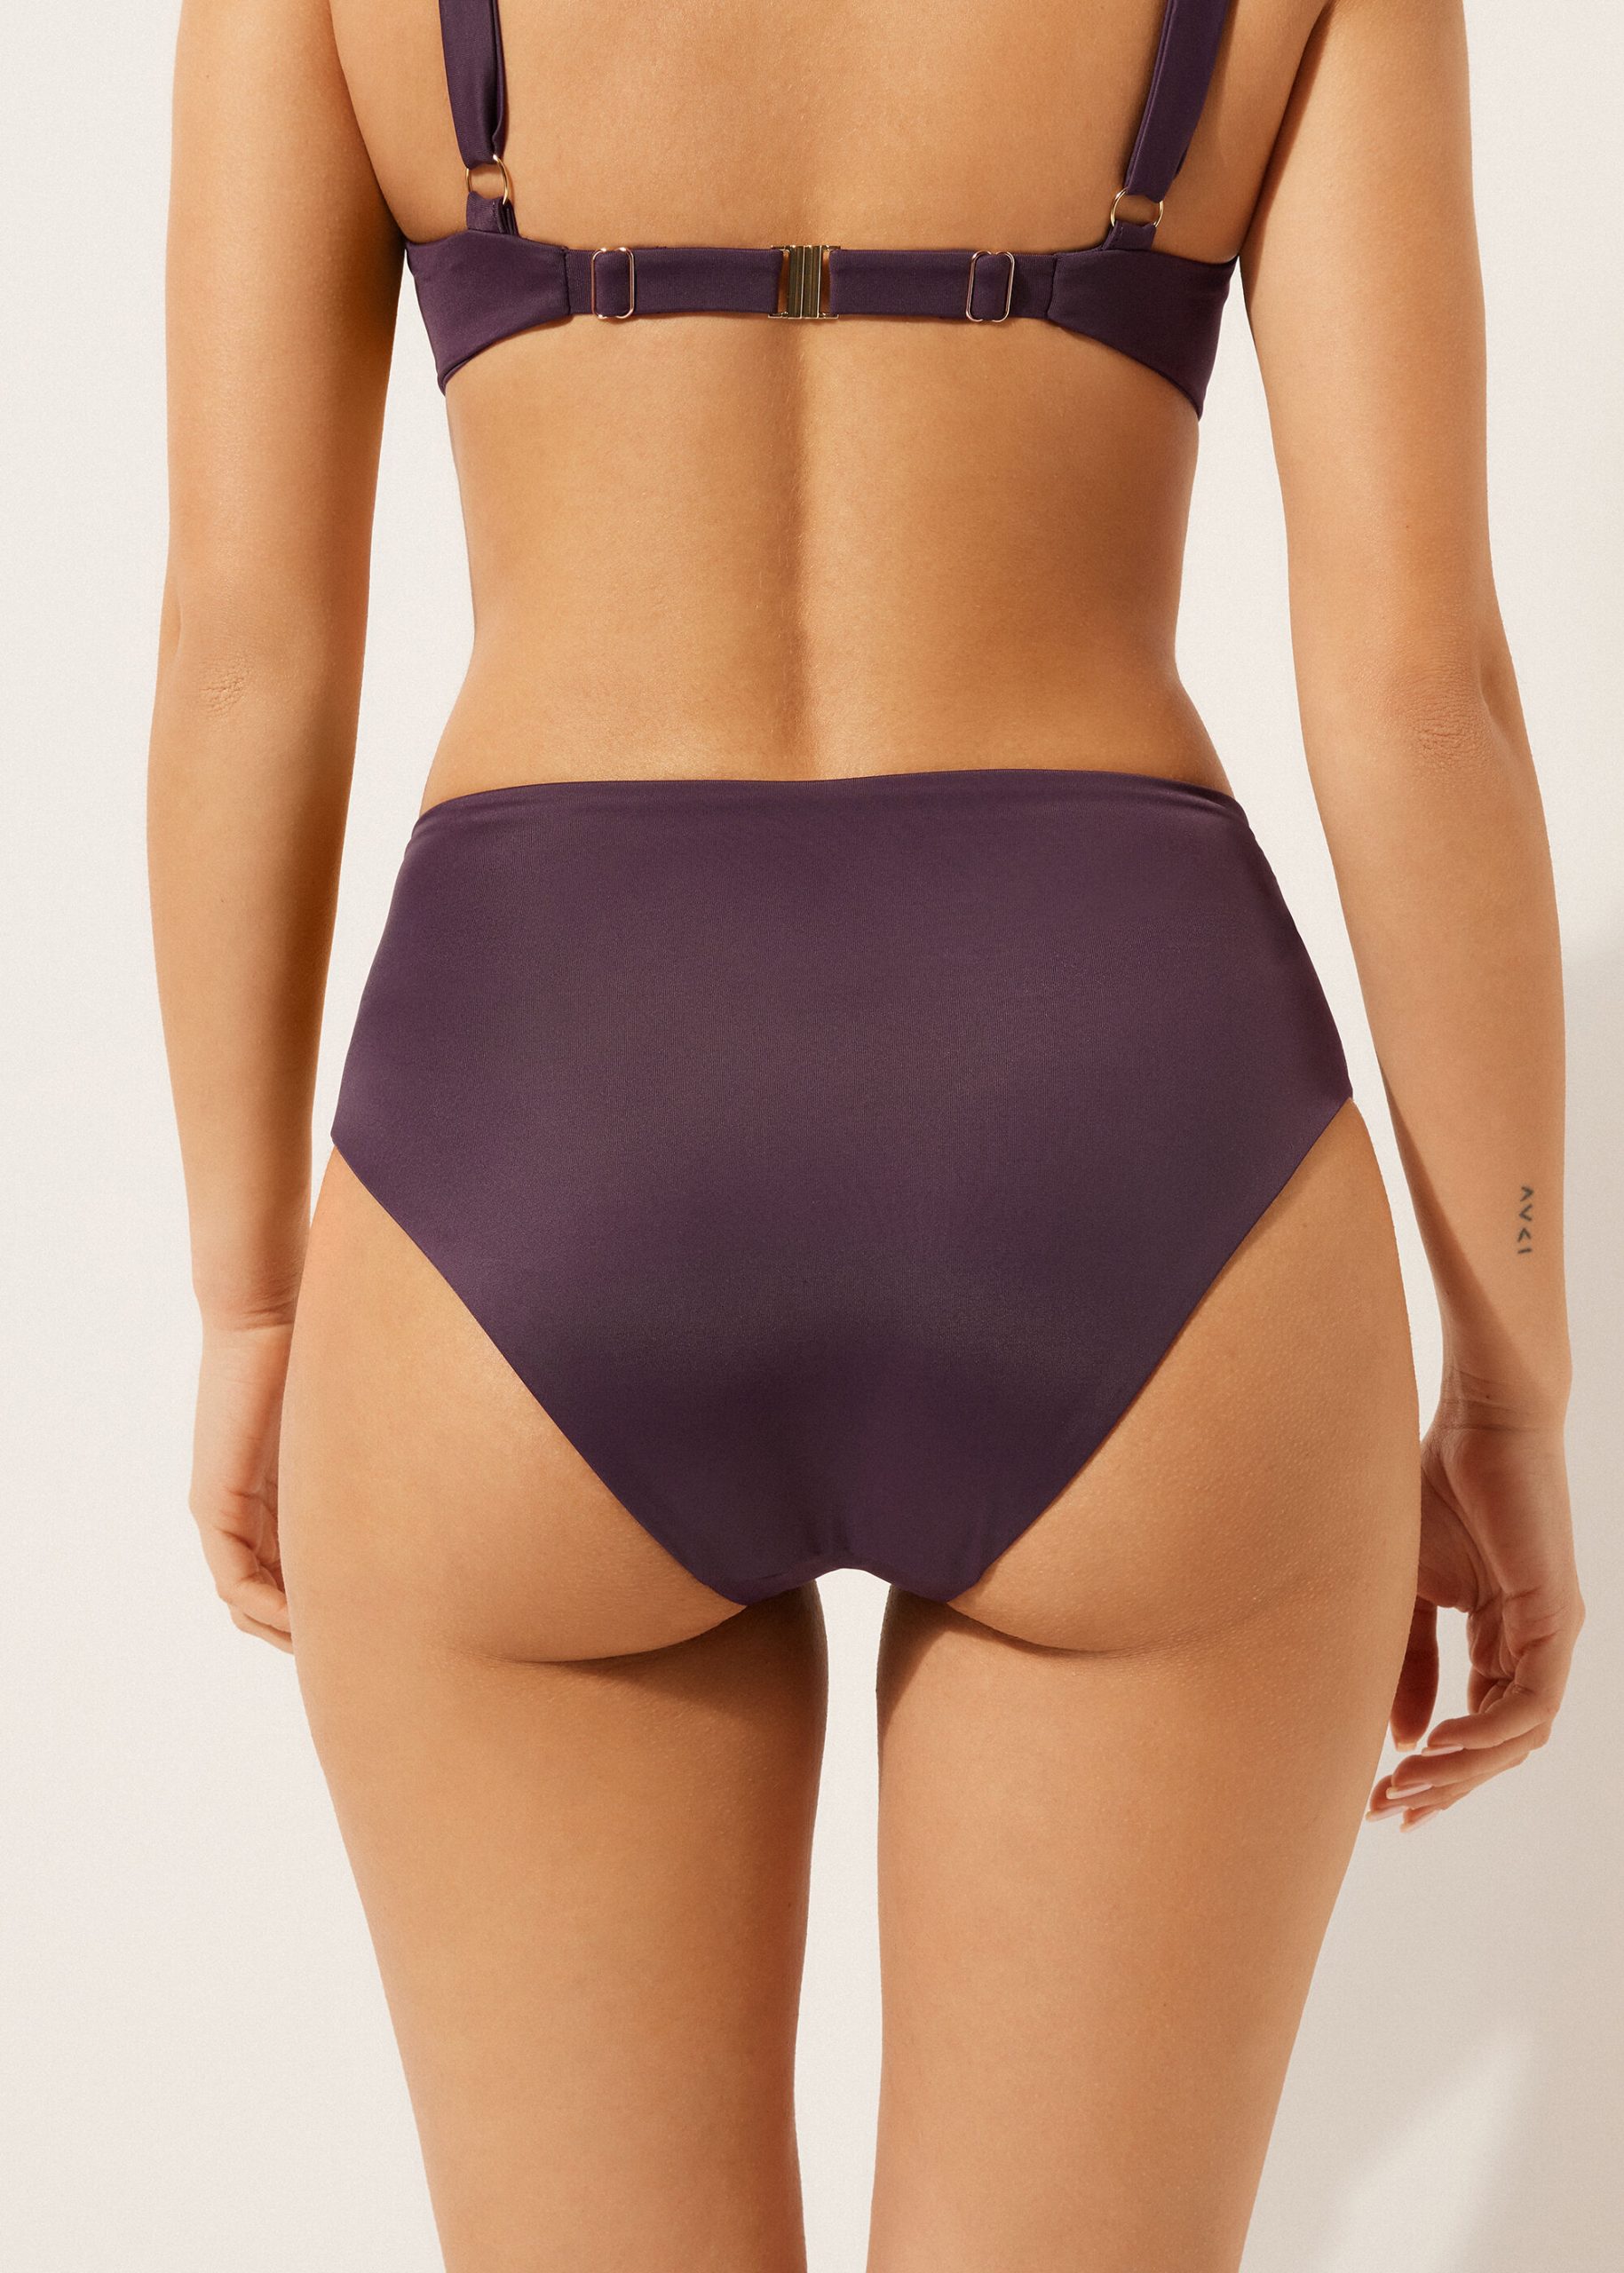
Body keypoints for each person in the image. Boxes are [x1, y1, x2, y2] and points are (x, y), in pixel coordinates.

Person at [147, 1, 1582, 2264]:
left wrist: (249, 1295)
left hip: (533, 1145)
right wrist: (1514, 1371)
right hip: (1132, 1141)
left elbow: (246, 646)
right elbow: (1419, 685)